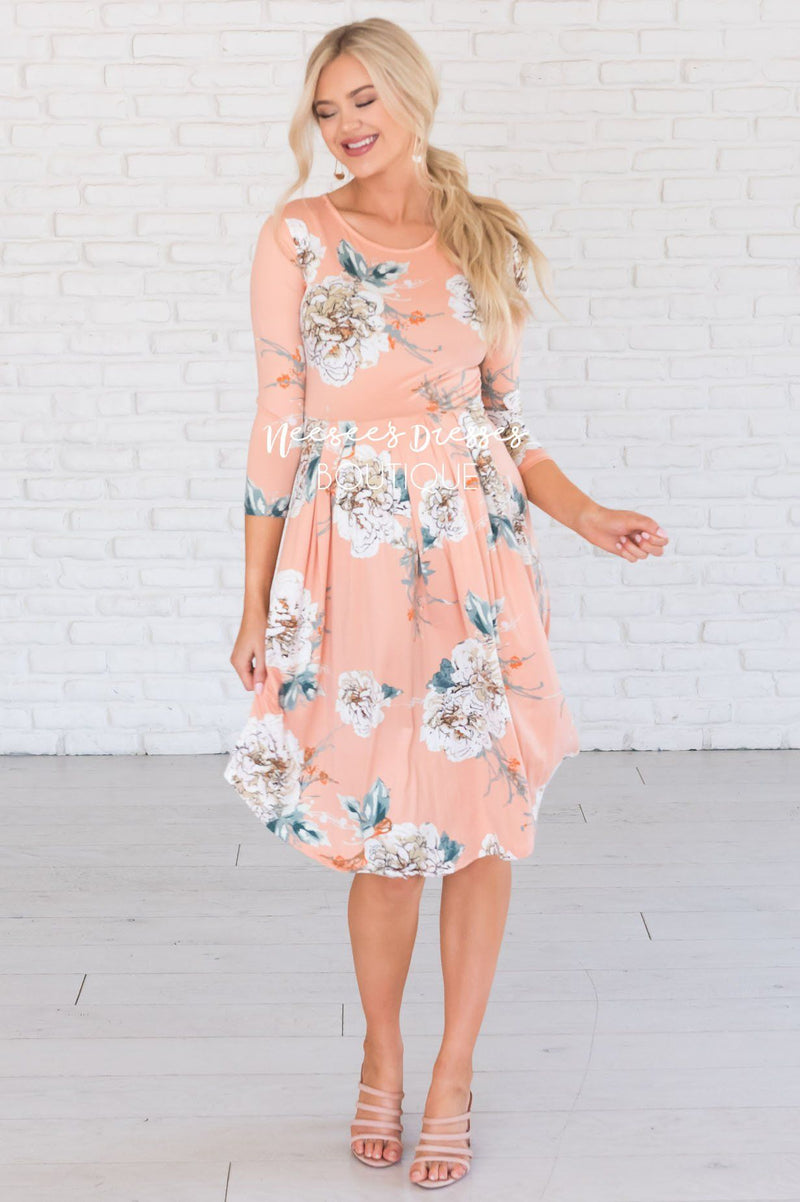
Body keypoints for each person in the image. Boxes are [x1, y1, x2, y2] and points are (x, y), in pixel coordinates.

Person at [224, 17, 669, 1191]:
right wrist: (255, 599)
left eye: (362, 100)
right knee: (386, 826)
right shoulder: (298, 234)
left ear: (412, 98)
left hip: (477, 557)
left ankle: (452, 1070)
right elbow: (277, 424)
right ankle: (380, 1048)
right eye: (326, 109)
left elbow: (503, 424)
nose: (344, 125)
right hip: (351, 558)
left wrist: (586, 512)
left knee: (480, 816)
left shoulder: (482, 237)